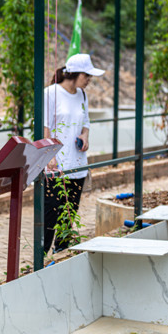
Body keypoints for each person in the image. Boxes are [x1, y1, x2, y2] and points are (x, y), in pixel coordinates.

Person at [43, 53, 104, 254]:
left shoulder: (82, 95)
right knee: (51, 213)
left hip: (77, 164)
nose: (88, 80)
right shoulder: (51, 93)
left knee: (69, 213)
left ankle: (61, 252)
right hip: (56, 164)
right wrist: (49, 156)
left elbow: (85, 123)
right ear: (75, 74)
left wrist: (85, 136)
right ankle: (41, 255)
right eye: (87, 76)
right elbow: (45, 127)